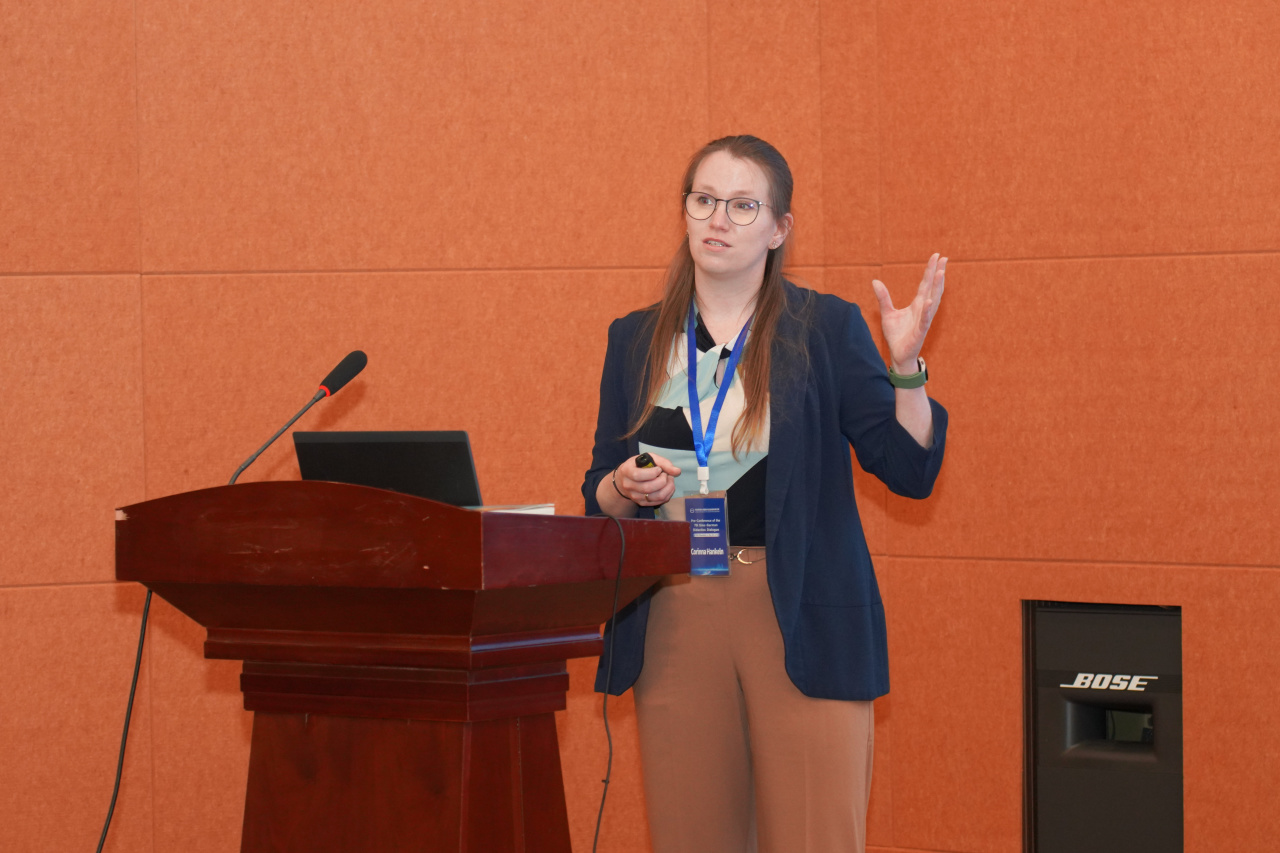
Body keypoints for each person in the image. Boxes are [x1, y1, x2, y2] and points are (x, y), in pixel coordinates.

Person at [582, 134, 948, 853]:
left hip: (799, 609)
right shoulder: (634, 339)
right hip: (674, 610)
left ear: (779, 229)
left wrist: (906, 370)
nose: (718, 219)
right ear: (685, 211)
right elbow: (598, 492)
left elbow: (908, 469)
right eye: (704, 199)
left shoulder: (825, 328)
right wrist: (623, 484)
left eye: (744, 205)